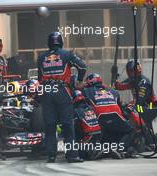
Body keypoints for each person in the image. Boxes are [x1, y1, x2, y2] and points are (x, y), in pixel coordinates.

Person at [37, 31, 86, 163]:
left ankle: (51, 155)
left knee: (50, 125)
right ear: (61, 41)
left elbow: (39, 78)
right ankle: (71, 155)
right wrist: (80, 81)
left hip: (47, 92)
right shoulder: (67, 54)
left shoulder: (41, 57)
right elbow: (82, 66)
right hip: (62, 91)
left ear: (49, 42)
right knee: (67, 124)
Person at [83, 73, 134, 158]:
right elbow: (120, 108)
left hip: (100, 120)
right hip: (116, 118)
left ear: (89, 82)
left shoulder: (86, 91)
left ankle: (98, 148)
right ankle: (118, 149)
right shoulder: (113, 91)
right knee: (130, 130)